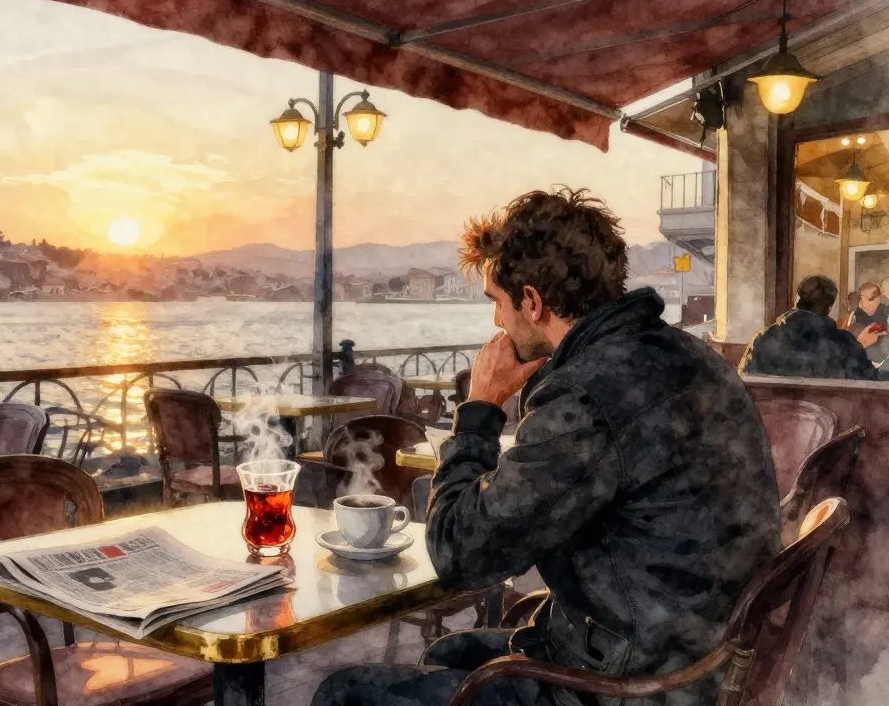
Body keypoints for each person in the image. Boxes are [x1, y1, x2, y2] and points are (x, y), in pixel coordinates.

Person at [312, 188, 780, 706]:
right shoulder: (681, 353)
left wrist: (482, 407)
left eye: (497, 302)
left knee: (345, 691)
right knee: (450, 652)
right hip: (685, 647)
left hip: (630, 683)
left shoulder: (590, 393)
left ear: (532, 302)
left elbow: (460, 553)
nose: (496, 323)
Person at [740, 275, 882, 380]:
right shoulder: (842, 342)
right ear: (830, 307)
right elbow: (870, 380)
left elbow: (746, 379)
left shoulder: (763, 338)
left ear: (797, 299)